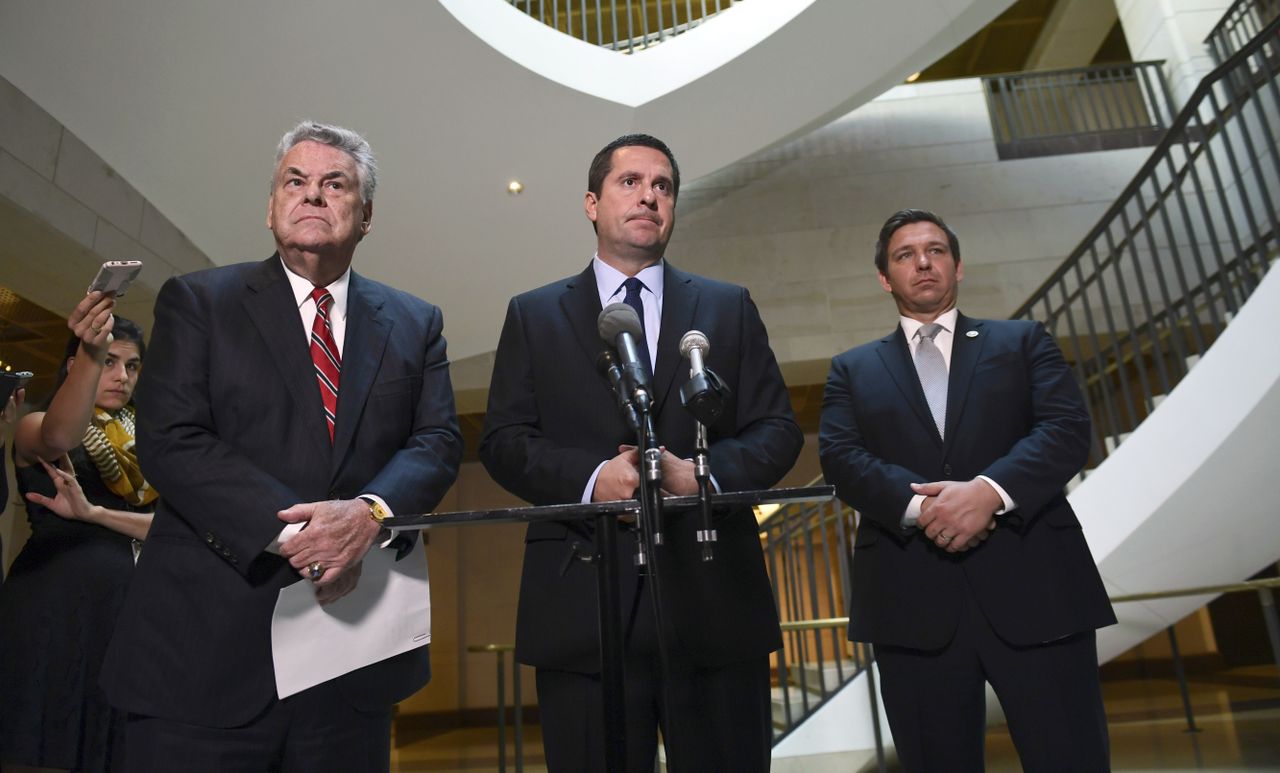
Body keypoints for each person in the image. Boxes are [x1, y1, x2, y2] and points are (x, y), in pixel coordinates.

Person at [99, 121, 462, 771]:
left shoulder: (415, 321)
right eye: (295, 181)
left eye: (335, 184)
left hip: (350, 659)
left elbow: (435, 440)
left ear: (366, 213)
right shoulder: (199, 301)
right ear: (271, 206)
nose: (312, 195)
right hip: (204, 656)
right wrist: (309, 536)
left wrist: (367, 514)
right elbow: (172, 440)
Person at [480, 134, 803, 773]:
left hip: (713, 605)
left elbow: (777, 431)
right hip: (584, 611)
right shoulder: (534, 315)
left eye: (664, 186)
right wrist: (593, 478)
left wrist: (699, 477)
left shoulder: (727, 306)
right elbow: (504, 441)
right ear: (592, 204)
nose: (649, 195)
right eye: (631, 182)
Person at [818, 209, 1116, 772]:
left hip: (1038, 592)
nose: (922, 262)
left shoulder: (1023, 341)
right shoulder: (852, 370)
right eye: (904, 255)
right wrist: (921, 507)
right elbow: (840, 457)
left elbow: (1066, 430)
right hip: (912, 604)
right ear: (885, 277)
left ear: (958, 266)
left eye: (935, 250)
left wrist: (988, 492)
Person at [0, 296, 154, 773]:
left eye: (131, 366)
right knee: (39, 750)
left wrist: (94, 514)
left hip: (126, 617)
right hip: (54, 606)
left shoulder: (148, 446)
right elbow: (61, 438)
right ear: (77, 365)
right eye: (108, 362)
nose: (121, 376)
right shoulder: (34, 425)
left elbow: (174, 527)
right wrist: (92, 349)